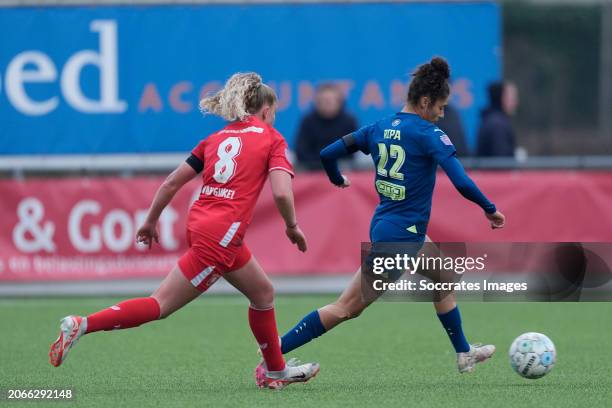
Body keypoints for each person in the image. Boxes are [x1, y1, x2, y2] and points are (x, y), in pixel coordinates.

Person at [48, 72, 320, 390]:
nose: (274, 118)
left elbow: (171, 182)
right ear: (265, 110)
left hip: (203, 225)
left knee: (262, 293)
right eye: (274, 112)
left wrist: (150, 221)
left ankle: (275, 370)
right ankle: (81, 324)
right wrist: (292, 226)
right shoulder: (272, 139)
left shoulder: (215, 139)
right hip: (221, 236)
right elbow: (283, 193)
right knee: (160, 304)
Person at [257, 58, 505, 380]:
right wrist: (489, 208)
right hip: (400, 238)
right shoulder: (429, 134)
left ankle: (463, 352)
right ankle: (272, 358)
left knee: (445, 276)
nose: (442, 114)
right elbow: (461, 181)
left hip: (391, 226)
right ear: (426, 101)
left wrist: (335, 178)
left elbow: (328, 153)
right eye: (441, 107)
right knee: (346, 307)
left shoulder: (378, 127)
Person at [294, 83, 358, 170]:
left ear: (339, 102)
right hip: (312, 169)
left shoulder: (349, 121)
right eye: (323, 101)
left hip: (343, 169)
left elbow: (354, 150)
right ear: (317, 102)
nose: (327, 104)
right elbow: (301, 150)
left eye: (330, 100)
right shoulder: (308, 121)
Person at [476, 81, 519, 157]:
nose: (515, 103)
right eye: (511, 99)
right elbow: (502, 161)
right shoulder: (498, 125)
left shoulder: (491, 120)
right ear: (501, 98)